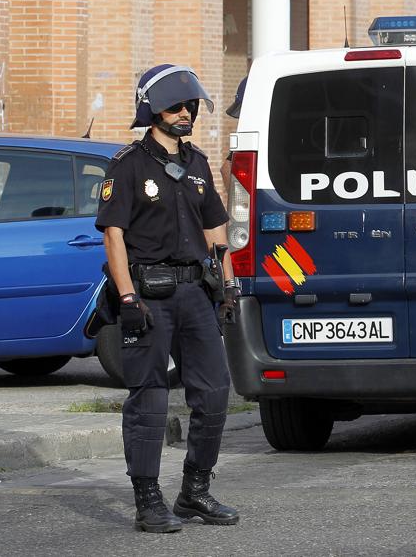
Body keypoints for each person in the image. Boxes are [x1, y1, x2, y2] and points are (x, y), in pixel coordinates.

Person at [96, 64, 241, 532]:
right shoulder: (128, 166)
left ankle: (194, 492)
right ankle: (148, 500)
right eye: (176, 106)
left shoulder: (197, 163)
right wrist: (127, 299)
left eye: (190, 106)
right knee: (151, 399)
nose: (185, 113)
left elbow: (216, 232)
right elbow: (114, 237)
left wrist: (228, 286)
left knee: (216, 392)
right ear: (152, 110)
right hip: (149, 295)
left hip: (196, 293)